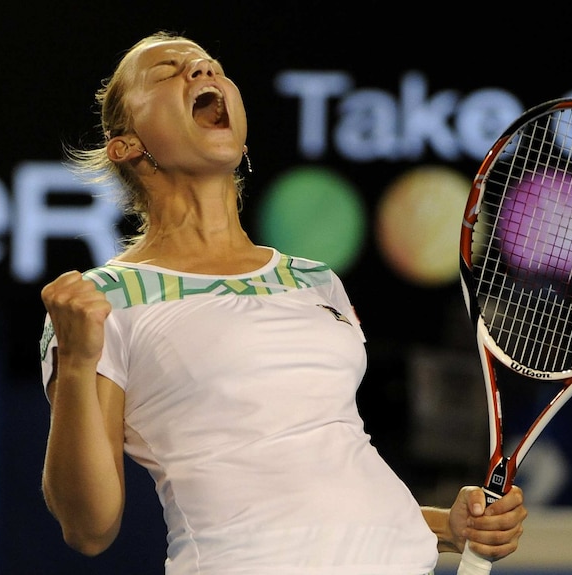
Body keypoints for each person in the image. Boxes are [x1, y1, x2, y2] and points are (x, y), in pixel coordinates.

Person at [39, 30, 527, 575]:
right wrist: (79, 364)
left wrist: (446, 526)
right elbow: (88, 528)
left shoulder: (315, 280)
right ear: (126, 144)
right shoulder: (102, 301)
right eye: (168, 72)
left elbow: (315, 469)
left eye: (210, 66)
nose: (201, 73)